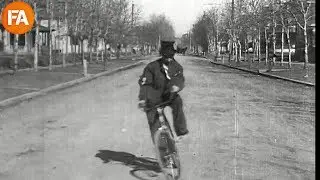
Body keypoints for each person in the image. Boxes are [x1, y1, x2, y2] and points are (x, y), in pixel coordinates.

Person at [137, 40, 189, 143]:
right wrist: (142, 99)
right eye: (166, 56)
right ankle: (161, 144)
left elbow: (180, 79)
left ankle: (181, 132)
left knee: (177, 101)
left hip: (168, 96)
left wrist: (177, 87)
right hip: (153, 98)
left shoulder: (177, 67)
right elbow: (145, 84)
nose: (169, 59)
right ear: (162, 55)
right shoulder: (152, 67)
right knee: (154, 120)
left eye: (171, 56)